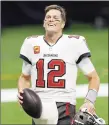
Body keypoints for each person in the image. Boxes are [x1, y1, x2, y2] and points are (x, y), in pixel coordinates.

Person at [17, 4, 100, 125]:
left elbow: (94, 77)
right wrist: (22, 92)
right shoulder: (31, 43)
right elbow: (24, 77)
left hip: (64, 106)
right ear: (44, 23)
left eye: (56, 18)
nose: (51, 19)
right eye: (48, 17)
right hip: (38, 107)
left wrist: (89, 101)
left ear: (63, 24)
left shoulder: (74, 43)